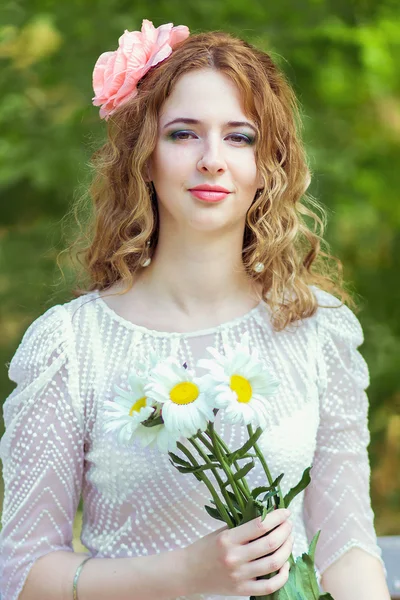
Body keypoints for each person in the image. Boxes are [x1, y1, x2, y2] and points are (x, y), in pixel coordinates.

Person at [0, 18, 390, 600]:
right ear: (144, 154)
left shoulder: (317, 330)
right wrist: (188, 574)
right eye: (184, 134)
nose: (212, 158)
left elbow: (348, 548)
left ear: (268, 166)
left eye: (240, 137)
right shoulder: (70, 346)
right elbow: (23, 574)